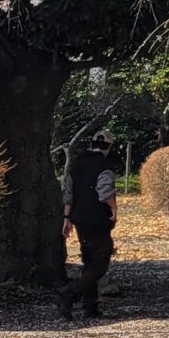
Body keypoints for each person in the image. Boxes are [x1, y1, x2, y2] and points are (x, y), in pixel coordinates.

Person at [60, 130, 117, 320]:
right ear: (109, 147)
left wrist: (66, 217)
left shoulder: (77, 165)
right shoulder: (105, 166)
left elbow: (68, 193)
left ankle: (90, 306)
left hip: (79, 219)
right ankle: (70, 294)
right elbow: (104, 192)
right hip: (98, 220)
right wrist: (114, 208)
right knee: (100, 263)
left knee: (89, 261)